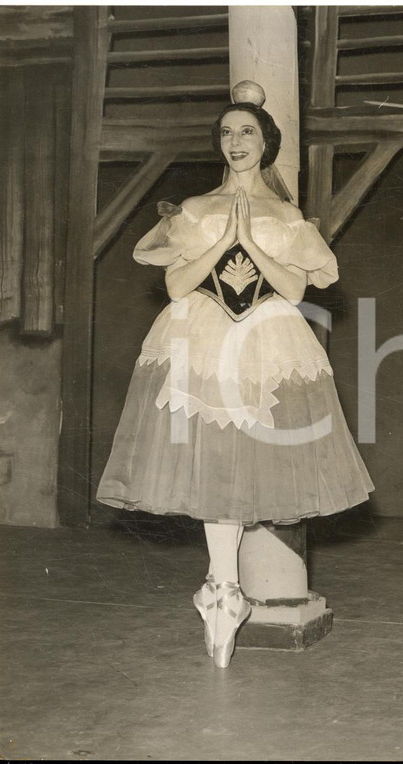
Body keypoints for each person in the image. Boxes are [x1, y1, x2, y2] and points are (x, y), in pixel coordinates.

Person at [97, 81, 374, 668]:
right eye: (226, 133)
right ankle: (223, 586)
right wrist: (224, 238)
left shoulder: (286, 215)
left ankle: (222, 589)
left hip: (266, 342)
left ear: (266, 141)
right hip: (202, 337)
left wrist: (249, 239)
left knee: (247, 461)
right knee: (215, 460)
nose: (235, 141)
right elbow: (176, 285)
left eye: (246, 131)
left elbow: (296, 289)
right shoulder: (195, 209)